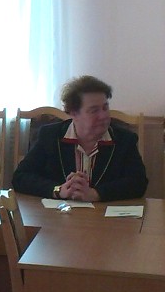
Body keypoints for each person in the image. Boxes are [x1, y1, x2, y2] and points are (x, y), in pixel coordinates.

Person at [12, 75, 148, 202]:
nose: (103, 116)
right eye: (94, 110)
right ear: (74, 113)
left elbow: (138, 183)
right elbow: (20, 177)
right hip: (59, 215)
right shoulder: (50, 136)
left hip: (104, 216)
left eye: (105, 108)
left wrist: (96, 193)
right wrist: (59, 190)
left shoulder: (124, 139)